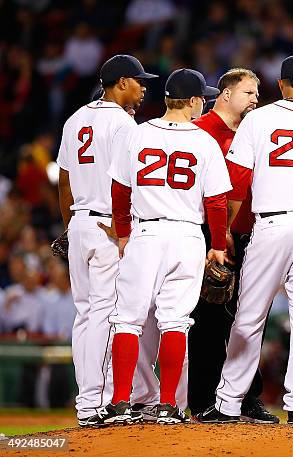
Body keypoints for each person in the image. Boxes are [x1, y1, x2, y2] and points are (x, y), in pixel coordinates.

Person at [195, 55, 293, 425]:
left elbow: (236, 179)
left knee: (249, 314)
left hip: (271, 224)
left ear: (281, 84)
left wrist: (223, 229)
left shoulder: (259, 119)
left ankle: (229, 402)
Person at [100, 68, 231, 425]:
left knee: (127, 320)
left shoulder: (138, 134)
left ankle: (120, 402)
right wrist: (217, 245)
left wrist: (124, 233)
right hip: (187, 237)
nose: (202, 104)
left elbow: (120, 191)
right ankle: (169, 405)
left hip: (146, 233)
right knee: (176, 321)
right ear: (191, 101)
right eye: (200, 98)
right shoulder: (203, 140)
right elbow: (217, 202)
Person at [56, 54, 158, 427]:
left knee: (85, 316)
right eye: (138, 81)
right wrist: (122, 228)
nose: (143, 87)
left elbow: (64, 181)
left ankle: (87, 402)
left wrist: (69, 226)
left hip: (81, 224)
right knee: (107, 314)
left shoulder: (75, 119)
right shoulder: (123, 124)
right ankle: (98, 403)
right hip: (108, 229)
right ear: (119, 83)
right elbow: (126, 182)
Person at [189, 68, 278, 423]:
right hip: (207, 237)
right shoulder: (199, 131)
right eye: (249, 92)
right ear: (226, 94)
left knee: (247, 319)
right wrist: (215, 232)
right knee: (207, 320)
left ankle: (245, 397)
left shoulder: (253, 132)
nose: (256, 98)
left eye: (257, 92)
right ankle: (203, 400)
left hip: (246, 237)